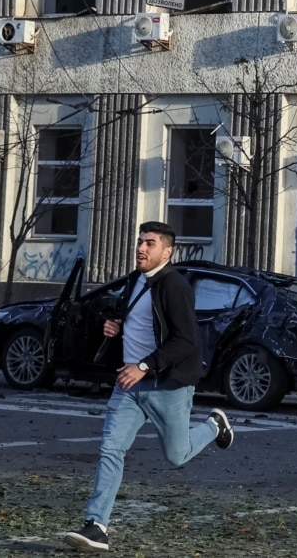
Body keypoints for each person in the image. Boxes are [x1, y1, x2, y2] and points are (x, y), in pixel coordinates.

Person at [65, 221, 233, 551]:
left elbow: (186, 341)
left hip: (166, 386)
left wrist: (145, 366)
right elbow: (139, 323)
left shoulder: (175, 286)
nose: (141, 248)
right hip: (129, 386)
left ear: (167, 252)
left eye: (150, 243)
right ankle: (97, 525)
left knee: (177, 455)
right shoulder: (134, 281)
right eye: (140, 241)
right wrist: (115, 325)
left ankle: (214, 425)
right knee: (111, 450)